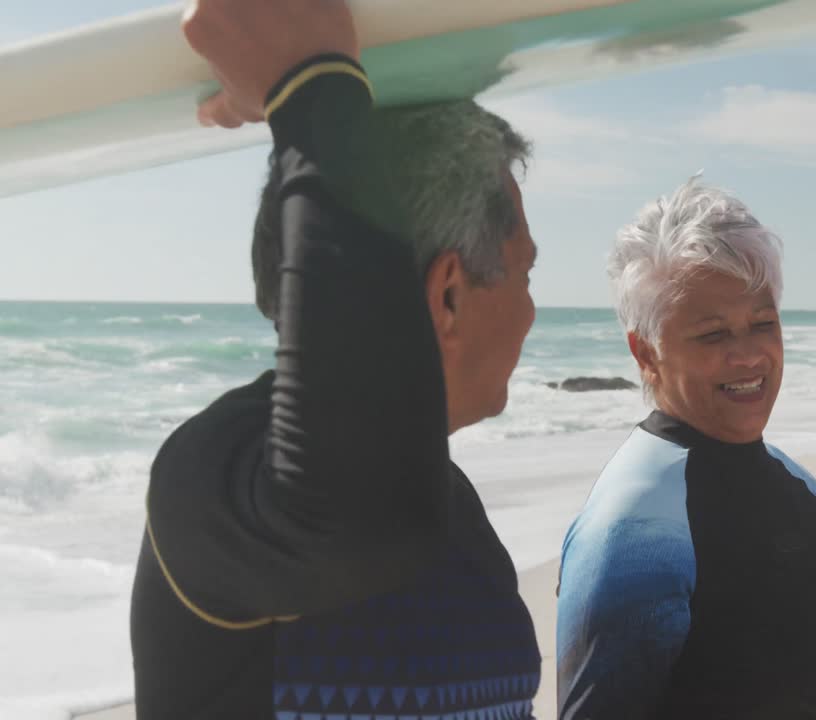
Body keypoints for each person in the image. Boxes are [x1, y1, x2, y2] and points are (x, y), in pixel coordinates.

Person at [130, 1, 542, 717]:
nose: (533, 309)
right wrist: (310, 90)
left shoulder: (451, 506)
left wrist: (314, 94)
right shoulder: (220, 474)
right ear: (448, 296)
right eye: (526, 273)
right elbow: (352, 519)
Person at [556, 178, 816, 719]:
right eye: (713, 335)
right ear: (646, 353)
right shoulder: (633, 528)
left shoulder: (796, 489)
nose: (749, 356)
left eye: (762, 324)